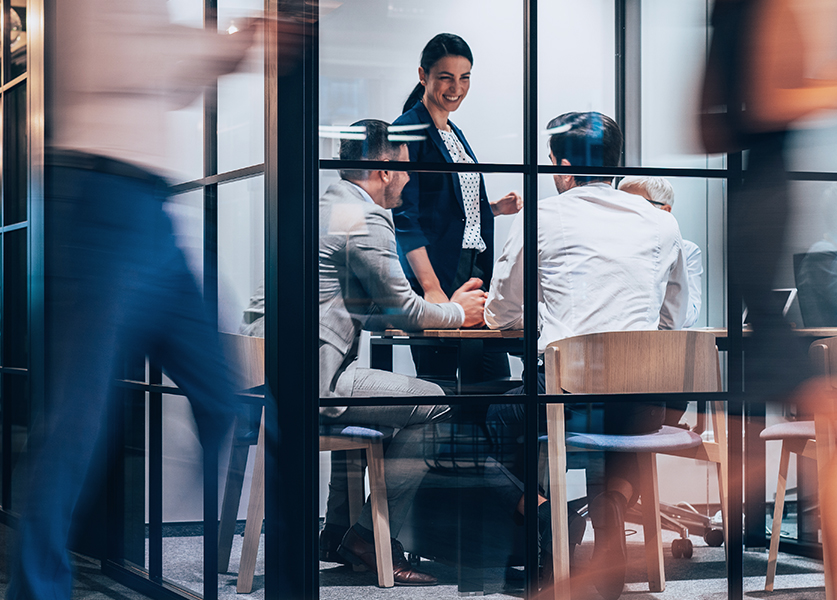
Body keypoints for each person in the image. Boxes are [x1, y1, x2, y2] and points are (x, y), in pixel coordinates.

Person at [6, 5, 268, 599]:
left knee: (223, 394)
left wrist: (227, 51)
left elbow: (169, 87)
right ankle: (36, 591)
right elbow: (116, 63)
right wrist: (220, 45)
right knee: (77, 421)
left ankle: (218, 566)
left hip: (150, 208)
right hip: (101, 200)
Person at [701, 2, 837, 597]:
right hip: (762, 218)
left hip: (757, 214)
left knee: (827, 421)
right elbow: (769, 101)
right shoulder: (766, 10)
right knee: (836, 415)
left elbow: (710, 123)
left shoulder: (741, 16)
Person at [243, 119, 488, 586]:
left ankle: (336, 529)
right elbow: (405, 310)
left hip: (269, 369)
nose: (409, 179)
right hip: (309, 378)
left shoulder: (323, 205)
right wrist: (459, 312)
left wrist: (420, 311)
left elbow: (359, 307)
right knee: (436, 401)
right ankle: (368, 537)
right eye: (405, 169)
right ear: (382, 167)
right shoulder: (365, 217)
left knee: (373, 396)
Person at [484, 111, 689, 600]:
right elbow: (673, 321)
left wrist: (537, 317)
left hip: (565, 398)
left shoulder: (543, 216)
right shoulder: (662, 224)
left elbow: (501, 311)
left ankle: (541, 515)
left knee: (493, 419)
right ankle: (611, 502)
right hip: (642, 407)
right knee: (619, 430)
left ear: (564, 166)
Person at [392, 33, 521, 388]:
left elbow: (450, 209)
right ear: (423, 75)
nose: (456, 87)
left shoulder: (452, 131)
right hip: (438, 271)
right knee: (441, 386)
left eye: (464, 77)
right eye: (445, 77)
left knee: (494, 380)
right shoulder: (408, 129)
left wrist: (493, 208)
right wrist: (431, 290)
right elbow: (405, 218)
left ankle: (488, 442)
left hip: (473, 266)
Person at [617, 176, 704, 328]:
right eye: (618, 204)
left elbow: (689, 317)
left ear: (665, 211)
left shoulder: (688, 251)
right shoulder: (611, 247)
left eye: (636, 205)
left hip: (662, 343)